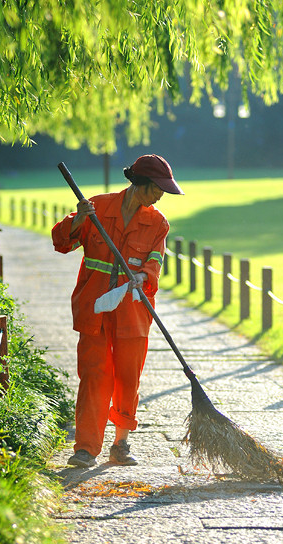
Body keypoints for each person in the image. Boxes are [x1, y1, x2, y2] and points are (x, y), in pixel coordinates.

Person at [52, 154, 184, 468]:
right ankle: (86, 448)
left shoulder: (158, 223)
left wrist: (144, 276)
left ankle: (120, 444)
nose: (161, 195)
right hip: (94, 310)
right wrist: (79, 220)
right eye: (158, 188)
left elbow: (155, 263)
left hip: (132, 312)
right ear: (141, 183)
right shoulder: (97, 208)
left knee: (128, 378)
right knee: (94, 377)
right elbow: (61, 242)